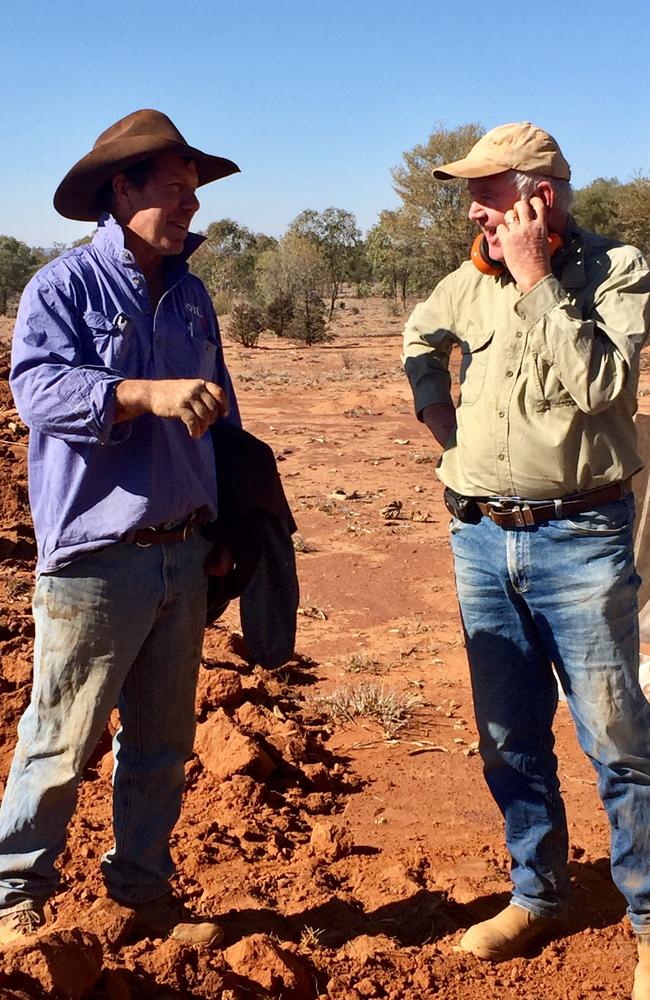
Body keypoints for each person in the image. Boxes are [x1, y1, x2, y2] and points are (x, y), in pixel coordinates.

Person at [402, 122, 650, 999]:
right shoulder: (469, 281)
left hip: (582, 539)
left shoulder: (616, 271)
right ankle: (538, 893)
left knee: (617, 737)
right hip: (480, 537)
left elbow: (604, 389)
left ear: (540, 194)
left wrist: (539, 277)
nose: (475, 208)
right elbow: (418, 336)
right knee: (507, 736)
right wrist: (442, 422)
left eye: (491, 190)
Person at [0, 109, 241, 947]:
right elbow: (37, 393)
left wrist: (226, 529)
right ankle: (12, 897)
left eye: (193, 192)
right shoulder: (61, 288)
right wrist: (145, 392)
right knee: (60, 741)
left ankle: (141, 888)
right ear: (122, 188)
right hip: (96, 563)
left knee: (163, 744)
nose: (188, 206)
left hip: (183, 554)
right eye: (172, 189)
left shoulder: (193, 295)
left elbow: (225, 420)